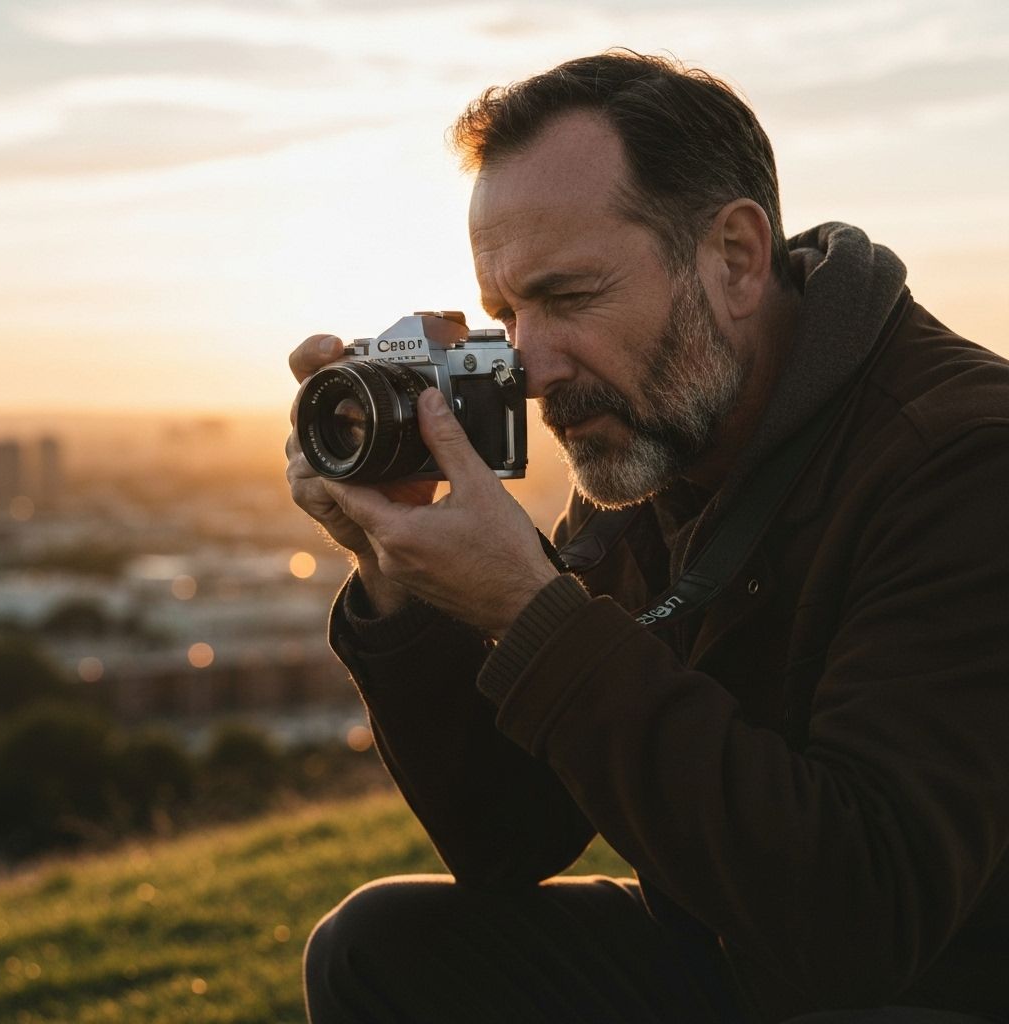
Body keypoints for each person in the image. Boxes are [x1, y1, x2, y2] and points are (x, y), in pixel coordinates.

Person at [286, 51, 1009, 1024]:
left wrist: (530, 612)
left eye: (571, 296)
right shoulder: (654, 434)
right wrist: (396, 566)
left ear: (736, 259)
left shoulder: (962, 459)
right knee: (377, 949)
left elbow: (866, 917)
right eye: (507, 314)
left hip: (938, 981)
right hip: (744, 951)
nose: (530, 366)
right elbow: (510, 841)